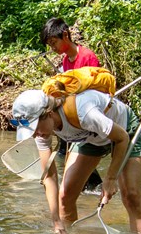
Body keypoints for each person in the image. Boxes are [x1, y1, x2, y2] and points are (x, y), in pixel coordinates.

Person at [11, 87, 141, 234]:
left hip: (123, 130)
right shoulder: (41, 133)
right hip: (89, 138)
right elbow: (49, 176)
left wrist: (111, 178)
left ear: (49, 114)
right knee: (65, 196)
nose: (35, 135)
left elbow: (122, 138)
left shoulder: (84, 112)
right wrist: (56, 220)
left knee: (131, 196)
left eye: (35, 128)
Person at [40, 17, 103, 191]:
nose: (53, 48)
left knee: (73, 155)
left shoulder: (87, 57)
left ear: (65, 35)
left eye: (54, 43)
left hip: (86, 117)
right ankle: (87, 187)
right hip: (71, 117)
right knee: (65, 154)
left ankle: (93, 187)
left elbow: (95, 91)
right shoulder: (66, 61)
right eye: (50, 45)